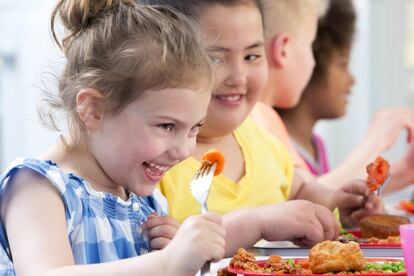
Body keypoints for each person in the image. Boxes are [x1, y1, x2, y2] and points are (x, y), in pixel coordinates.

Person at [0, 1, 226, 275]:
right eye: (167, 126)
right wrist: (166, 264)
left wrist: (173, 250)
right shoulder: (37, 187)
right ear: (94, 109)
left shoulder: (147, 202)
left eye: (195, 128)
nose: (184, 150)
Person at [143, 0, 383, 230]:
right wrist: (257, 223)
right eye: (214, 58)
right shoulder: (155, 162)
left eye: (252, 56)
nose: (239, 77)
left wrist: (337, 204)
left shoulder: (262, 142)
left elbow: (300, 193)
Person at [266, 0, 414, 193]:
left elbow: (335, 195)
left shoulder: (315, 145)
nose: (352, 80)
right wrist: (376, 141)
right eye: (342, 64)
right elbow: (310, 200)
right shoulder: (267, 137)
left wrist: (405, 172)